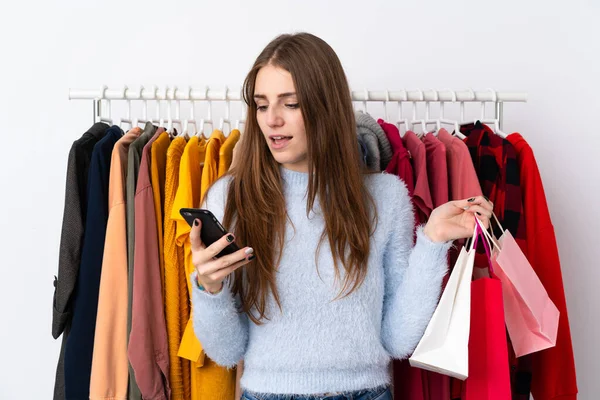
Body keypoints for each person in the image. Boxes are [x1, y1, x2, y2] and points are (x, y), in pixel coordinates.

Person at [188, 32, 493, 400]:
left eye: (292, 104)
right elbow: (226, 351)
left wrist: (432, 243)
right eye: (261, 105)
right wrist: (210, 289)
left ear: (325, 106)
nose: (272, 120)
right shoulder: (231, 198)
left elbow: (398, 339)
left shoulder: (385, 198)